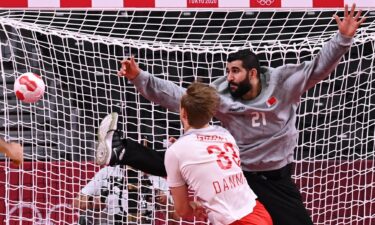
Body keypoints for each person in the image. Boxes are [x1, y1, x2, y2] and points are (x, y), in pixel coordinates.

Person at [95, 4, 365, 225]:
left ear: (253, 73)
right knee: (180, 157)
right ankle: (120, 149)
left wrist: (342, 39)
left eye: (235, 71)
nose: (229, 77)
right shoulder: (221, 91)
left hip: (276, 177)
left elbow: (319, 67)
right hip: (236, 174)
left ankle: (121, 151)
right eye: (227, 71)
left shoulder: (284, 83)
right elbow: (178, 96)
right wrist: (139, 77)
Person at [166, 82, 272, 225]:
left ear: (183, 113)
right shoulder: (225, 134)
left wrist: (193, 208)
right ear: (210, 113)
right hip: (259, 212)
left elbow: (182, 211)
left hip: (237, 221)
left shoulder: (175, 151)